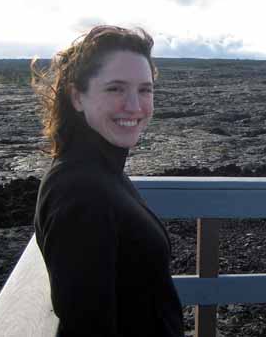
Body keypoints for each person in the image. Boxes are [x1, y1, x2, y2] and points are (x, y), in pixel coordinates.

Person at [32, 25, 184, 336]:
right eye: (115, 88)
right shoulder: (80, 193)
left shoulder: (100, 170)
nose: (135, 106)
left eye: (145, 89)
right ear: (77, 97)